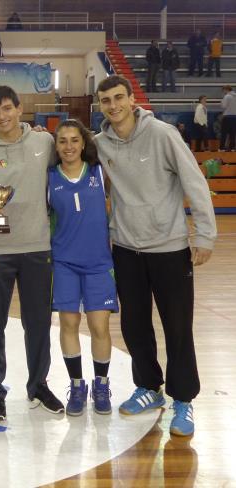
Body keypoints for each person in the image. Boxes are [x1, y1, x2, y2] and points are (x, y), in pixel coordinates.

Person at [95, 75, 217, 437]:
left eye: (119, 98)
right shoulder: (101, 143)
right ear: (100, 106)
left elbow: (195, 181)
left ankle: (184, 400)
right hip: (126, 250)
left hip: (170, 248)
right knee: (134, 326)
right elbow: (63, 150)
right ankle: (149, 388)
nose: (113, 105)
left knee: (177, 328)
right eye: (106, 101)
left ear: (132, 99)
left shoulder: (163, 134)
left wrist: (205, 235)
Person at [0, 85, 64, 422]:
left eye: (7, 108)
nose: (2, 116)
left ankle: (38, 384)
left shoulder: (44, 142)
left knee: (37, 322)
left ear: (19, 108)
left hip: (38, 246)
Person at [48, 119, 117, 416]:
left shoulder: (100, 173)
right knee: (69, 323)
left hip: (99, 263)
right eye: (62, 141)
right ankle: (77, 384)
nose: (69, 146)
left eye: (74, 140)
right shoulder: (49, 178)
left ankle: (101, 383)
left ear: (84, 142)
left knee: (99, 326)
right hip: (64, 262)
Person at [220, 85, 236, 151]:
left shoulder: (227, 96)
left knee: (224, 132)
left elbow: (224, 106)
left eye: (223, 90)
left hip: (227, 116)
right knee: (233, 133)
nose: (223, 92)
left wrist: (221, 102)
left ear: (226, 89)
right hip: (235, 116)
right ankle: (232, 147)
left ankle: (222, 148)